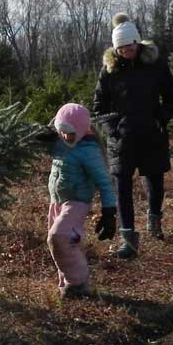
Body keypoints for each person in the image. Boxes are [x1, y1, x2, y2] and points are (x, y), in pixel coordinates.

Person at [93, 13, 173, 259]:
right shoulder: (109, 70)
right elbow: (99, 106)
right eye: (120, 48)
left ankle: (154, 222)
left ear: (137, 43)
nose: (124, 52)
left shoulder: (155, 65)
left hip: (152, 135)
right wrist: (113, 130)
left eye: (128, 47)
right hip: (122, 140)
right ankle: (128, 239)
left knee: (155, 183)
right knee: (122, 188)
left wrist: (159, 119)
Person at [36, 103, 118, 299]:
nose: (65, 136)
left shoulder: (88, 151)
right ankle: (67, 282)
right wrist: (39, 135)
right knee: (60, 242)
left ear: (81, 129)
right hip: (56, 202)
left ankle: (78, 283)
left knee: (59, 236)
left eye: (70, 132)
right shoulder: (59, 141)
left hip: (77, 202)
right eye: (61, 131)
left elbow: (105, 183)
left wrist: (109, 213)